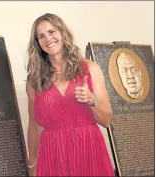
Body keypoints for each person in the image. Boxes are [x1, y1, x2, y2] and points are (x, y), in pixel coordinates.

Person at [26, 13, 115, 176]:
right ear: (37, 44)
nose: (48, 39)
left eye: (52, 32)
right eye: (41, 36)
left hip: (89, 151)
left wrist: (91, 100)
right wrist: (32, 164)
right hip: (52, 155)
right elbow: (34, 127)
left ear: (62, 33)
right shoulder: (34, 80)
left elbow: (106, 120)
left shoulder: (90, 68)